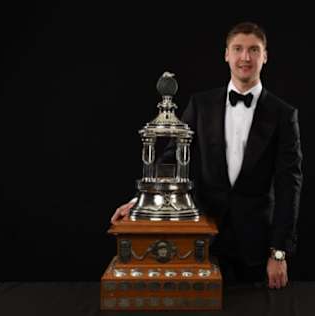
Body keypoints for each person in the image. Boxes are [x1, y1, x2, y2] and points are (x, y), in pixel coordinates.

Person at [111, 21, 302, 289]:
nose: (245, 57)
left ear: (265, 56)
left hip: (257, 249)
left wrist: (279, 251)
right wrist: (140, 200)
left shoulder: (284, 114)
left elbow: (288, 186)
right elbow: (171, 159)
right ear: (226, 54)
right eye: (238, 49)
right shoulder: (201, 105)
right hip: (203, 241)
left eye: (253, 50)